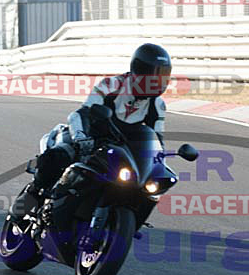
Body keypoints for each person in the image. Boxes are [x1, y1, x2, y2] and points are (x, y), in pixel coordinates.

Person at [25, 43, 172, 203]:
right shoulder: (111, 86)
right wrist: (81, 138)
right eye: (154, 74)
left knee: (144, 187)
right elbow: (80, 114)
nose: (158, 80)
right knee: (58, 157)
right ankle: (27, 201)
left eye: (163, 75)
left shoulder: (157, 105)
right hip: (89, 139)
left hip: (121, 151)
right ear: (138, 70)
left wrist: (159, 162)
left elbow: (156, 139)